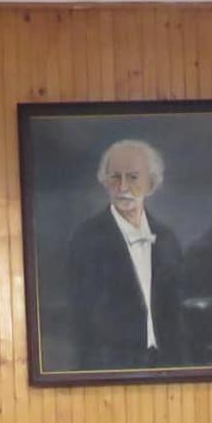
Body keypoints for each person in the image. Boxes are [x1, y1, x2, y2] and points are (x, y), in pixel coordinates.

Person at [65, 138, 187, 369]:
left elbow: (176, 314)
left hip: (166, 366)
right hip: (109, 368)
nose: (122, 187)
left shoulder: (167, 239)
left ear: (151, 183)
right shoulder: (86, 238)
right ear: (105, 181)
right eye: (115, 177)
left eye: (132, 177)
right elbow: (81, 320)